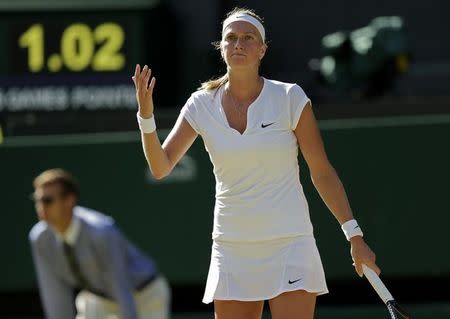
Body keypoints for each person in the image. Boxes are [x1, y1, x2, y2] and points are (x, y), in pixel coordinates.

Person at [132, 7, 380, 319]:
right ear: (221, 47)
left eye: (248, 38)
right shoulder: (200, 104)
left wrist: (354, 236)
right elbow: (161, 166)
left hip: (291, 244)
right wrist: (145, 116)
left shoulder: (290, 97)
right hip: (233, 246)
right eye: (231, 38)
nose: (238, 44)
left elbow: (321, 171)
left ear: (262, 49)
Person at [29, 168, 171, 319]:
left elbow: (121, 287)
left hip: (144, 296)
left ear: (69, 201)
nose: (41, 207)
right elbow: (55, 295)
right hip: (99, 299)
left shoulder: (101, 232)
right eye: (37, 200)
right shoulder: (39, 238)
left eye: (47, 200)